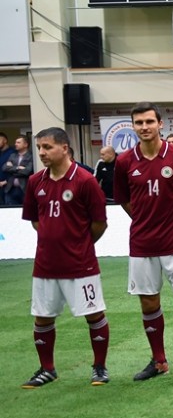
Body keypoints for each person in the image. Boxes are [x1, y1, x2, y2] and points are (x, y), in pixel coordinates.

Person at [114, 103, 173, 382]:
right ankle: (159, 361)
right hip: (142, 244)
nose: (144, 127)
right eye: (139, 123)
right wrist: (144, 219)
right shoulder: (124, 161)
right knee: (148, 303)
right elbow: (123, 199)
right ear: (133, 126)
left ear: (160, 124)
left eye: (149, 121)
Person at [20, 127, 111, 388]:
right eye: (39, 147)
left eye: (47, 147)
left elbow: (99, 223)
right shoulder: (35, 181)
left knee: (94, 314)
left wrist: (79, 244)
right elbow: (36, 221)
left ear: (64, 148)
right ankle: (47, 369)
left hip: (81, 264)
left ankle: (99, 367)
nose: (41, 152)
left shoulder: (85, 180)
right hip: (45, 264)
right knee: (42, 317)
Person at [3, 135, 33, 205]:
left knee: (26, 210)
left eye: (18, 142)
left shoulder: (31, 156)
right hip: (11, 189)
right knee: (10, 210)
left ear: (25, 144)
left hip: (24, 189)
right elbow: (4, 168)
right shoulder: (12, 155)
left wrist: (11, 169)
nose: (15, 144)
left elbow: (27, 171)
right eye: (15, 142)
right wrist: (18, 167)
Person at [0, 132, 13, 204]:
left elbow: (16, 171)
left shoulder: (13, 153)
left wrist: (6, 181)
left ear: (5, 140)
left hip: (9, 187)